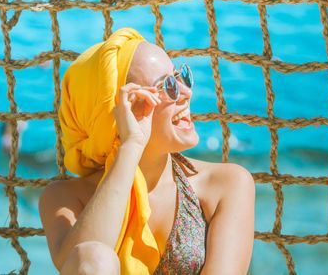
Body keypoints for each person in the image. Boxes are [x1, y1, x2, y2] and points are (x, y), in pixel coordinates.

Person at [38, 27, 255, 274]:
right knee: (93, 255)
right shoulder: (64, 199)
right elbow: (80, 266)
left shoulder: (227, 184)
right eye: (169, 85)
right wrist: (131, 145)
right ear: (118, 116)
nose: (187, 93)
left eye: (181, 77)